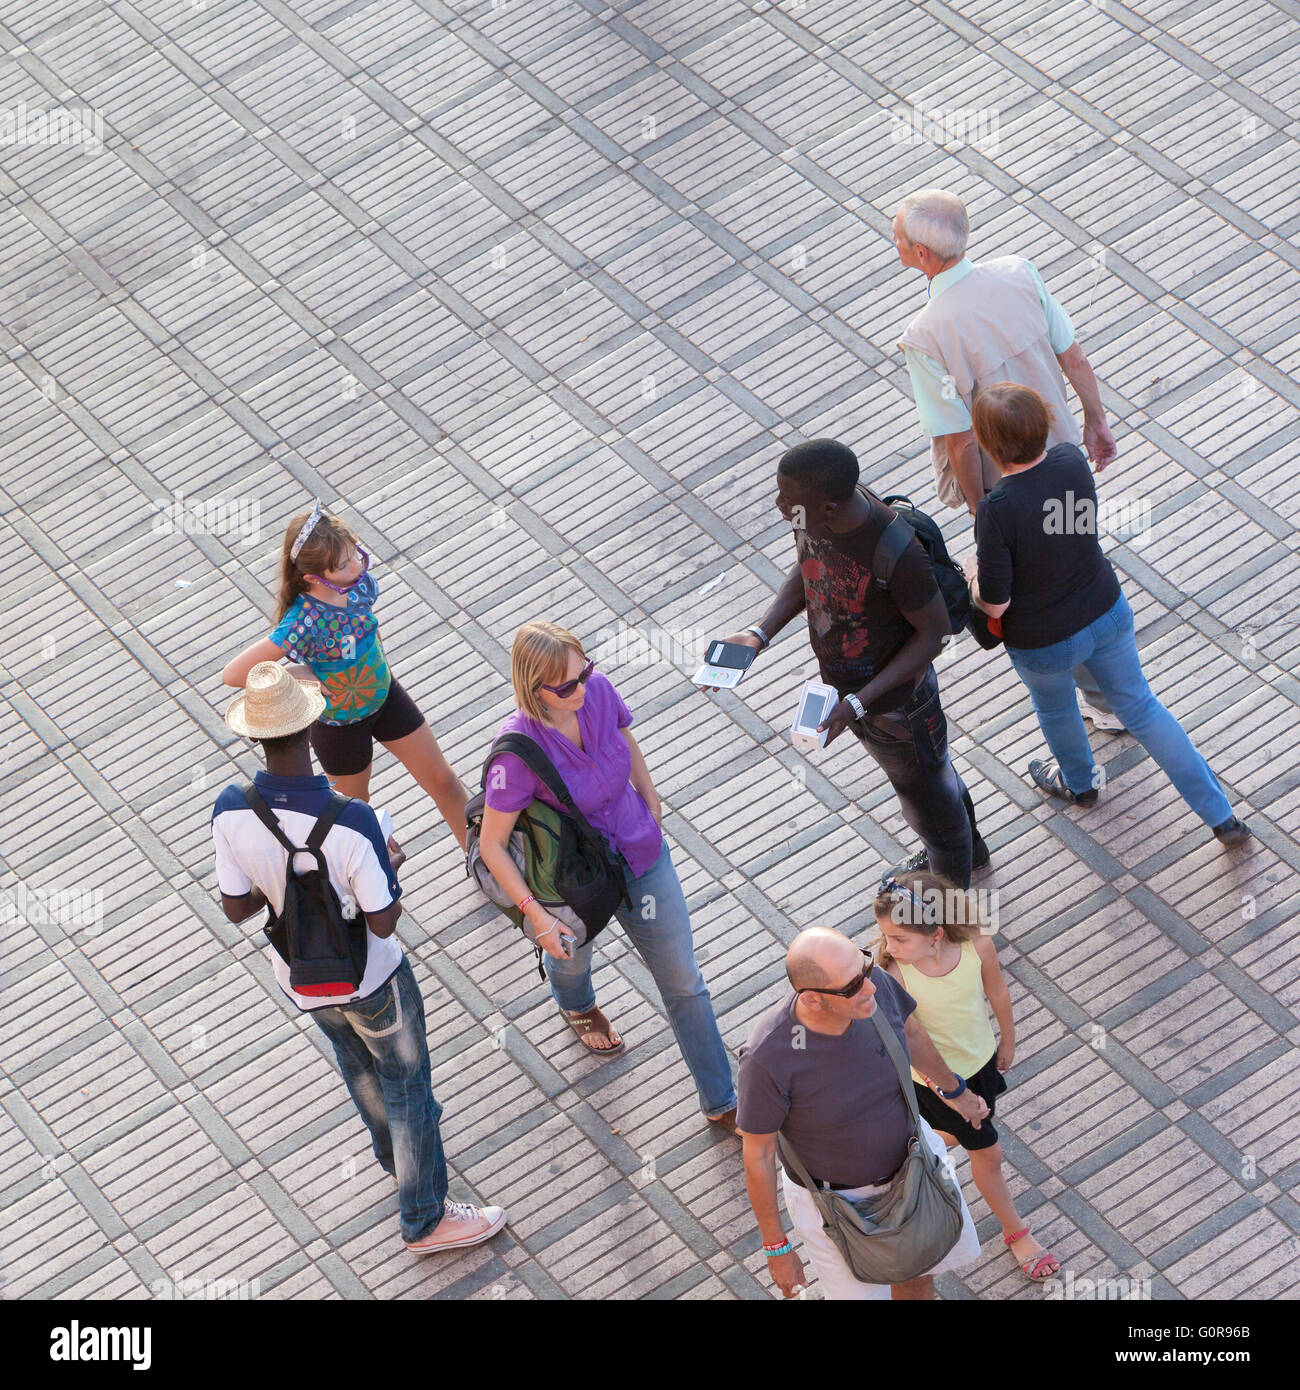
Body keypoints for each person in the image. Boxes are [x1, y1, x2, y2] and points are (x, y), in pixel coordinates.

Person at [211, 662, 506, 1253]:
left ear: (255, 737)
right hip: (372, 977)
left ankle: (397, 1160)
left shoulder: (231, 807)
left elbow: (237, 909)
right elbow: (382, 919)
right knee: (408, 1084)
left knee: (358, 1067)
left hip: (303, 979)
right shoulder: (354, 819)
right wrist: (389, 866)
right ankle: (424, 1216)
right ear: (310, 728)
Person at [476, 622, 739, 1129]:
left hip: (640, 853)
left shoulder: (596, 690)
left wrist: (652, 802)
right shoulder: (515, 754)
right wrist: (538, 919)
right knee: (572, 960)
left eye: (585, 671)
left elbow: (625, 739)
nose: (583, 687)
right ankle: (576, 1004)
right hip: (577, 881)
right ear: (534, 690)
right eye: (567, 685)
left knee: (683, 982)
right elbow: (492, 845)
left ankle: (721, 1100)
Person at [966, 382, 1249, 845]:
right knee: (1142, 707)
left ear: (987, 442)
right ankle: (1221, 817)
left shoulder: (995, 510)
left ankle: (1081, 786)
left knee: (1056, 709)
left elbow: (995, 603)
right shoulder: (1072, 462)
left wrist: (973, 576)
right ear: (1044, 423)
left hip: (1043, 641)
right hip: (1105, 609)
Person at [893, 186, 1122, 732]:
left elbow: (960, 440)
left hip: (1007, 484)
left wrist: (981, 513)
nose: (894, 244)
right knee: (1079, 557)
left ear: (922, 255)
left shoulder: (925, 335)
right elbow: (1073, 354)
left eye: (896, 237)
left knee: (1034, 587)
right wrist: (1094, 419)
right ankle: (1116, 689)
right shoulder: (1020, 272)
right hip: (1063, 453)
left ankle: (1099, 700)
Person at [711, 438, 988, 888]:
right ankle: (969, 851)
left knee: (928, 805)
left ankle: (949, 912)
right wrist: (759, 634)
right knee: (932, 782)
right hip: (854, 699)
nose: (779, 505)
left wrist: (858, 704)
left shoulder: (897, 551)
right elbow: (811, 568)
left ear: (830, 507)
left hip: (900, 707)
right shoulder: (813, 516)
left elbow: (933, 633)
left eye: (788, 499)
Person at [737, 926, 986, 1300]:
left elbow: (913, 1035)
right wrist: (777, 1249)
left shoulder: (872, 986)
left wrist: (955, 1091)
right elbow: (758, 1155)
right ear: (812, 1000)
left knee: (919, 1276)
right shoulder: (768, 1057)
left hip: (915, 1171)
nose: (871, 986)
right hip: (838, 1207)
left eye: (866, 967)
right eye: (853, 986)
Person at [220, 503, 467, 844]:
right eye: (343, 565)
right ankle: (373, 890)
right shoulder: (301, 621)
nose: (357, 566)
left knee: (443, 781)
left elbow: (369, 631)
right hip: (339, 727)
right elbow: (232, 674)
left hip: (386, 699)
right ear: (312, 577)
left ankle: (485, 863)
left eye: (356, 553)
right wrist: (298, 671)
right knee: (356, 818)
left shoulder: (359, 586)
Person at [873, 871, 1060, 1281]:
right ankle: (1018, 1233)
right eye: (886, 937)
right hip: (938, 1085)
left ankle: (906, 1154)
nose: (888, 948)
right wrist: (949, 1090)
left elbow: (997, 990)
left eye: (899, 939)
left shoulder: (977, 946)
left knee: (963, 1133)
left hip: (982, 1065)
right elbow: (903, 1042)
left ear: (936, 933)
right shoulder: (896, 976)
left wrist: (1007, 1039)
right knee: (987, 1152)